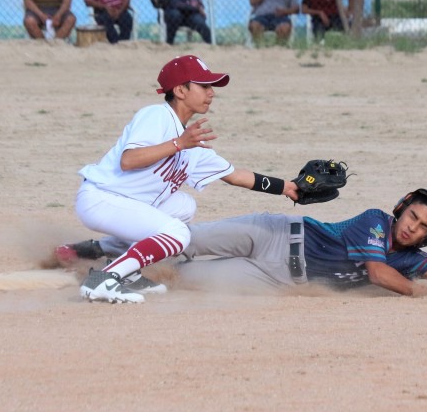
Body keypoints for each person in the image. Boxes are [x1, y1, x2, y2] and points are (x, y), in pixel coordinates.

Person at [72, 54, 299, 304]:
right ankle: (104, 278)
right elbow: (129, 160)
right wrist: (179, 143)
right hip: (100, 198)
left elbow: (236, 176)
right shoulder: (157, 116)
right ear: (180, 90)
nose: (211, 92)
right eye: (203, 86)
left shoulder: (191, 143)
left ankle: (124, 266)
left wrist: (288, 187)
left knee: (183, 207)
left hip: (125, 201)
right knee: (178, 233)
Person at [63, 189, 427, 297]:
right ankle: (101, 249)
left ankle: (115, 276)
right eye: (413, 214)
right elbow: (377, 273)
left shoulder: (411, 259)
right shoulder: (376, 222)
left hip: (274, 275)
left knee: (185, 278)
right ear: (401, 208)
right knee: (187, 240)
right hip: (274, 234)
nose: (413, 227)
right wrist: (425, 294)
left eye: (423, 226)